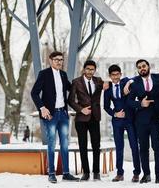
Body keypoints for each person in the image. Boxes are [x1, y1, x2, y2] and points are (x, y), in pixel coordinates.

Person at [30, 51, 79, 183]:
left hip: (63, 114)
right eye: (56, 59)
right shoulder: (44, 74)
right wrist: (42, 107)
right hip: (50, 115)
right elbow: (34, 93)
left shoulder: (63, 74)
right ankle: (51, 173)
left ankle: (66, 173)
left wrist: (86, 82)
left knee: (64, 144)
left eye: (61, 60)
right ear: (51, 60)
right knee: (51, 144)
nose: (59, 62)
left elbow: (71, 87)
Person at [127, 59, 159, 184]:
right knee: (144, 148)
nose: (142, 68)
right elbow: (129, 101)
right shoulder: (135, 82)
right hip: (141, 121)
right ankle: (146, 174)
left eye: (144, 66)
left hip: (156, 119)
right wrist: (140, 103)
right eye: (139, 67)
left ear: (148, 66)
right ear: (137, 70)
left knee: (158, 148)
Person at [103, 64, 141, 182]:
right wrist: (115, 114)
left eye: (117, 74)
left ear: (120, 74)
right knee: (119, 147)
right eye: (113, 75)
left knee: (134, 146)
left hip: (130, 120)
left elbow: (136, 78)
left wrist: (129, 83)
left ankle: (136, 173)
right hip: (117, 121)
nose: (115, 77)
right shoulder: (108, 88)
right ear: (110, 76)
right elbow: (106, 106)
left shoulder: (125, 82)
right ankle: (120, 173)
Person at [68, 60, 104, 181]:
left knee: (96, 146)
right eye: (88, 69)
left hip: (95, 118)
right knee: (82, 146)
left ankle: (96, 172)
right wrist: (81, 109)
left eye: (92, 69)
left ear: (95, 70)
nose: (90, 71)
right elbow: (71, 100)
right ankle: (86, 172)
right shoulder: (76, 82)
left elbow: (113, 82)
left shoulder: (98, 81)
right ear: (84, 69)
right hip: (81, 119)